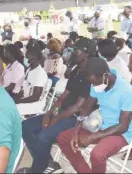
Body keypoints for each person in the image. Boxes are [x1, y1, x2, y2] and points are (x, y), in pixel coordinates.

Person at [17, 37, 95, 174]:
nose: (73, 52)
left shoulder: (92, 75)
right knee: (25, 126)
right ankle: (48, 163)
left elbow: (78, 107)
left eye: (77, 50)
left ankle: (37, 169)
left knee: (43, 136)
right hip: (63, 112)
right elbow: (63, 96)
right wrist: (50, 113)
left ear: (86, 53)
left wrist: (56, 118)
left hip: (76, 118)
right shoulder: (76, 71)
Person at [56, 57, 132, 173]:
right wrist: (77, 129)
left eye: (94, 82)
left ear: (105, 75)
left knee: (97, 154)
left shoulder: (126, 91)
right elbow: (87, 107)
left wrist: (93, 136)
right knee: (63, 138)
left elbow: (123, 126)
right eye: (90, 82)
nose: (93, 85)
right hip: (99, 125)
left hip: (120, 133)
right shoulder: (98, 84)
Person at [14, 44, 48, 114]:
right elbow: (25, 87)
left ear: (34, 59)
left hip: (35, 104)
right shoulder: (29, 69)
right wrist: (17, 98)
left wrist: (18, 101)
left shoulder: (39, 73)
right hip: (26, 99)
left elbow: (36, 97)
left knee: (9, 109)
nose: (25, 58)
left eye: (27, 57)